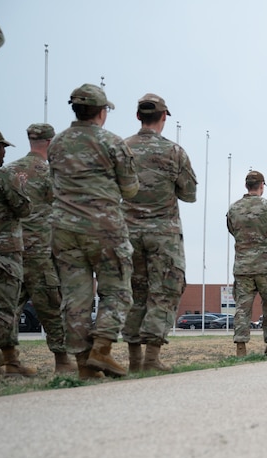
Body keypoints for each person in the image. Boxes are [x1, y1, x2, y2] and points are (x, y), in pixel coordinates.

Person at [48, 84, 139, 379]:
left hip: (64, 229)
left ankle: (84, 365)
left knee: (75, 297)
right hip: (104, 228)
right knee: (118, 290)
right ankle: (101, 348)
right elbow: (130, 187)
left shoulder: (57, 144)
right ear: (102, 112)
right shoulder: (112, 142)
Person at [121, 94, 198, 373]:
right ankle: (151, 358)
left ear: (138, 116)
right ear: (164, 116)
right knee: (163, 292)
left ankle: (133, 360)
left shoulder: (122, 149)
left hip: (127, 233)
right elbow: (189, 194)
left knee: (134, 292)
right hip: (163, 234)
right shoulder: (174, 152)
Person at [6, 123, 71, 374]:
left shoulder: (9, 170)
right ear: (50, 142)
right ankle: (63, 361)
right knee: (51, 308)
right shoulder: (49, 173)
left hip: (10, 250)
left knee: (7, 307)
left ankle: (6, 361)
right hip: (40, 253)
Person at [226, 170, 267, 358]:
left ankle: (241, 349)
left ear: (246, 186)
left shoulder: (234, 208)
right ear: (261, 186)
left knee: (242, 308)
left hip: (243, 267)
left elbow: (231, 229)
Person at [0, 128, 34, 378]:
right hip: (4, 254)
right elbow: (24, 209)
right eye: (2, 148)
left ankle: (10, 362)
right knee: (4, 310)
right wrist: (20, 185)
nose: (3, 153)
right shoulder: (3, 177)